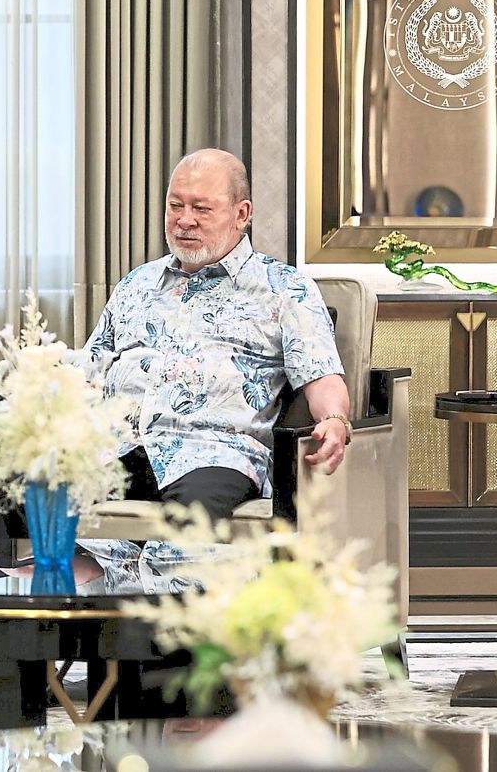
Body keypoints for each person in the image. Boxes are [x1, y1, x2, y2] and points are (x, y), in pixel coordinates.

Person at [85, 148, 349, 520]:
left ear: (242, 214)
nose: (184, 221)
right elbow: (89, 368)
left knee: (191, 519)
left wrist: (335, 421)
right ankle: (79, 566)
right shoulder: (137, 283)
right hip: (118, 448)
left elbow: (321, 375)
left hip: (214, 453)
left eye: (201, 209)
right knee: (21, 494)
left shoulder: (284, 289)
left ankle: (107, 567)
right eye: (175, 206)